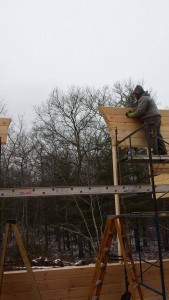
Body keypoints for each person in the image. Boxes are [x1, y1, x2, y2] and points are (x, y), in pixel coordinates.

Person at [126, 85, 167, 155]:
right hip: (157, 117)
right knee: (157, 135)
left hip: (151, 118)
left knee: (151, 135)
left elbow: (140, 111)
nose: (135, 96)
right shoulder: (146, 98)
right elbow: (142, 110)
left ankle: (154, 153)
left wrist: (132, 115)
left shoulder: (143, 98)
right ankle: (163, 152)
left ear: (139, 93)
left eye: (136, 94)